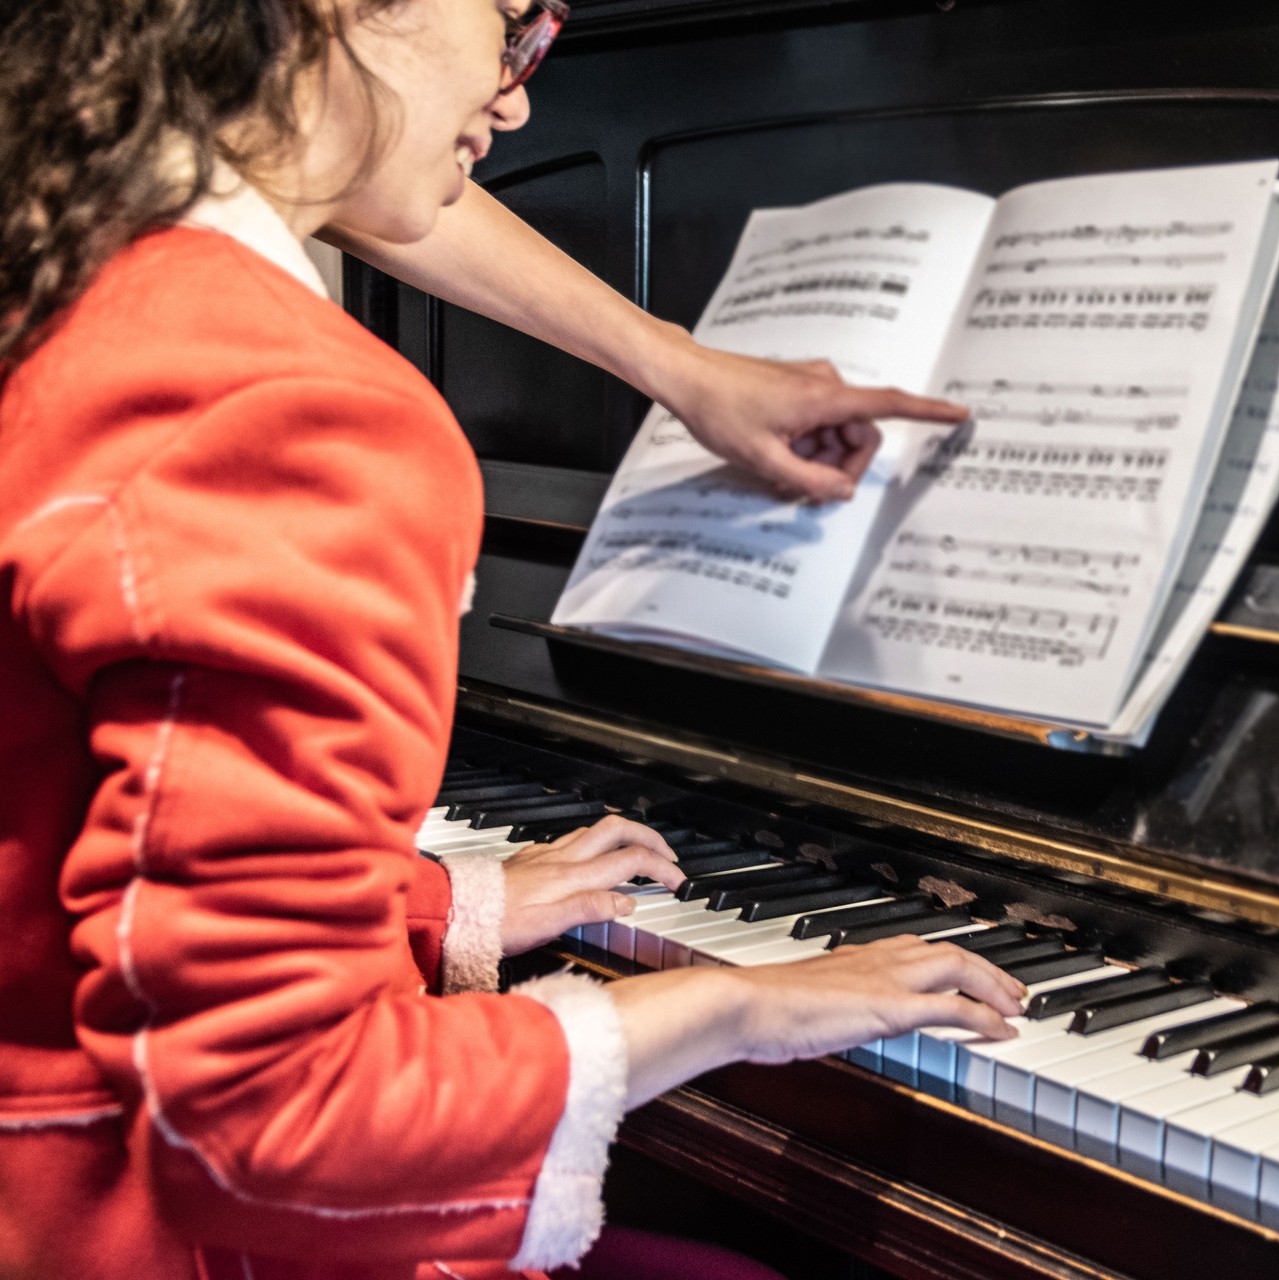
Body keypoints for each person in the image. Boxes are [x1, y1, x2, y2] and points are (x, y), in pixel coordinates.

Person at [0, 1, 1022, 1277]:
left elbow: (66, 830)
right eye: (508, 24)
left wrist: (442, 898)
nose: (520, 96)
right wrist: (732, 998)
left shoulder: (71, 276)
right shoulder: (289, 409)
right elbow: (267, 1114)